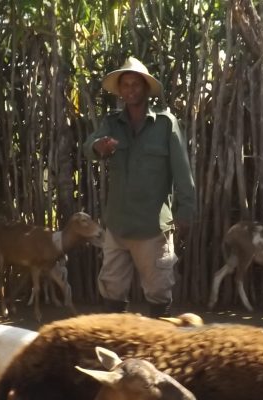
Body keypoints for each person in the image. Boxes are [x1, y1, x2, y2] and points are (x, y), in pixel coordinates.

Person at [84, 57, 196, 318]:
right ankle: (116, 352)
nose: (131, 90)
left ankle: (157, 350)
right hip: (118, 225)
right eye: (126, 85)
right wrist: (98, 147)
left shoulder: (166, 124)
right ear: (120, 91)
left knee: (158, 292)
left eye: (136, 84)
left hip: (151, 227)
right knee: (111, 289)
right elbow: (89, 146)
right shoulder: (112, 123)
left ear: (146, 89)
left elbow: (182, 172)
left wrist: (186, 211)